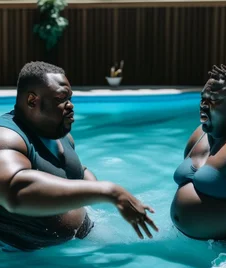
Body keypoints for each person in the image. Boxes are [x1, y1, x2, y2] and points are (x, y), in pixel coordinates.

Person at [0, 61, 158, 251]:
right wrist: (110, 192)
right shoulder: (7, 137)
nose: (71, 105)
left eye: (71, 98)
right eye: (61, 98)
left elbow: (71, 171)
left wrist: (103, 201)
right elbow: (14, 191)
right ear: (32, 101)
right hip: (27, 261)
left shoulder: (60, 134)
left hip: (79, 243)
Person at [171, 64, 226, 243]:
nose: (204, 106)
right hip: (199, 248)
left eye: (214, 100)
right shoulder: (200, 134)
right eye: (203, 99)